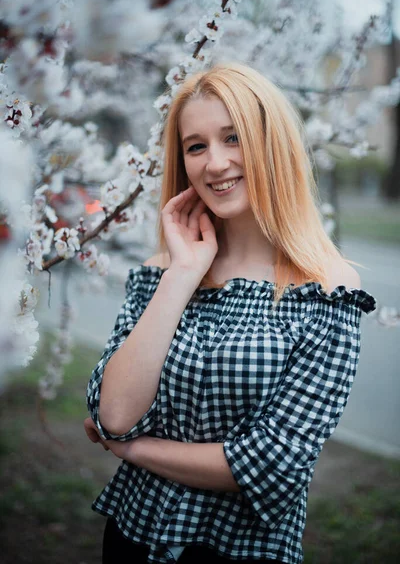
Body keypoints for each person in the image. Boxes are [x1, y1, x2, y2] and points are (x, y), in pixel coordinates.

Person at [84, 62, 377, 564]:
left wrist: (133, 450)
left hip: (240, 551)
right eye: (196, 146)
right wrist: (182, 275)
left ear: (272, 144)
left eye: (233, 137)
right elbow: (113, 413)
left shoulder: (328, 290)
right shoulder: (161, 273)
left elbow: (274, 463)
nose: (215, 163)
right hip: (131, 539)